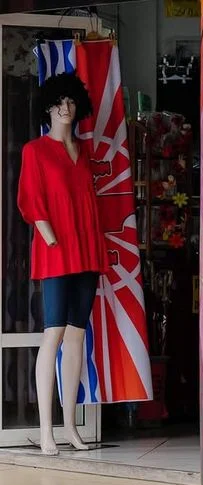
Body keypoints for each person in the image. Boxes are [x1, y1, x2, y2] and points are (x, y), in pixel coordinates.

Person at [16, 73, 106, 455]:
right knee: (52, 334)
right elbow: (30, 199)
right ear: (47, 108)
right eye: (58, 103)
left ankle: (70, 425)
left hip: (85, 250)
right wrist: (50, 235)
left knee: (76, 336)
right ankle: (46, 430)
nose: (65, 109)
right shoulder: (35, 150)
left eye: (70, 102)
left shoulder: (85, 151)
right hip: (56, 250)